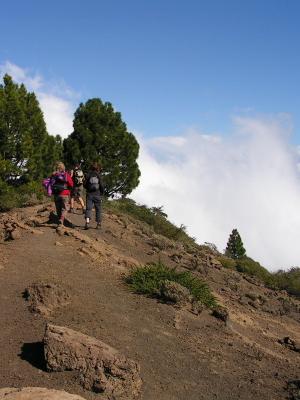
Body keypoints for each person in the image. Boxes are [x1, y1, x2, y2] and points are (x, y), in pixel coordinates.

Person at [50, 161, 73, 227]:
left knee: (58, 208)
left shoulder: (53, 175)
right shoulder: (66, 174)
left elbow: (50, 183)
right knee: (65, 208)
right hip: (64, 193)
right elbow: (71, 184)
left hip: (56, 194)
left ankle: (59, 220)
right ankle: (61, 220)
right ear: (63, 168)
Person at [83, 162, 104, 230]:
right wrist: (101, 193)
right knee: (98, 209)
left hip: (89, 194)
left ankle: (87, 223)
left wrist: (88, 188)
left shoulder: (88, 175)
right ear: (98, 168)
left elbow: (84, 185)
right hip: (97, 194)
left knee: (88, 208)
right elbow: (101, 186)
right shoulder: (99, 175)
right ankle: (98, 224)